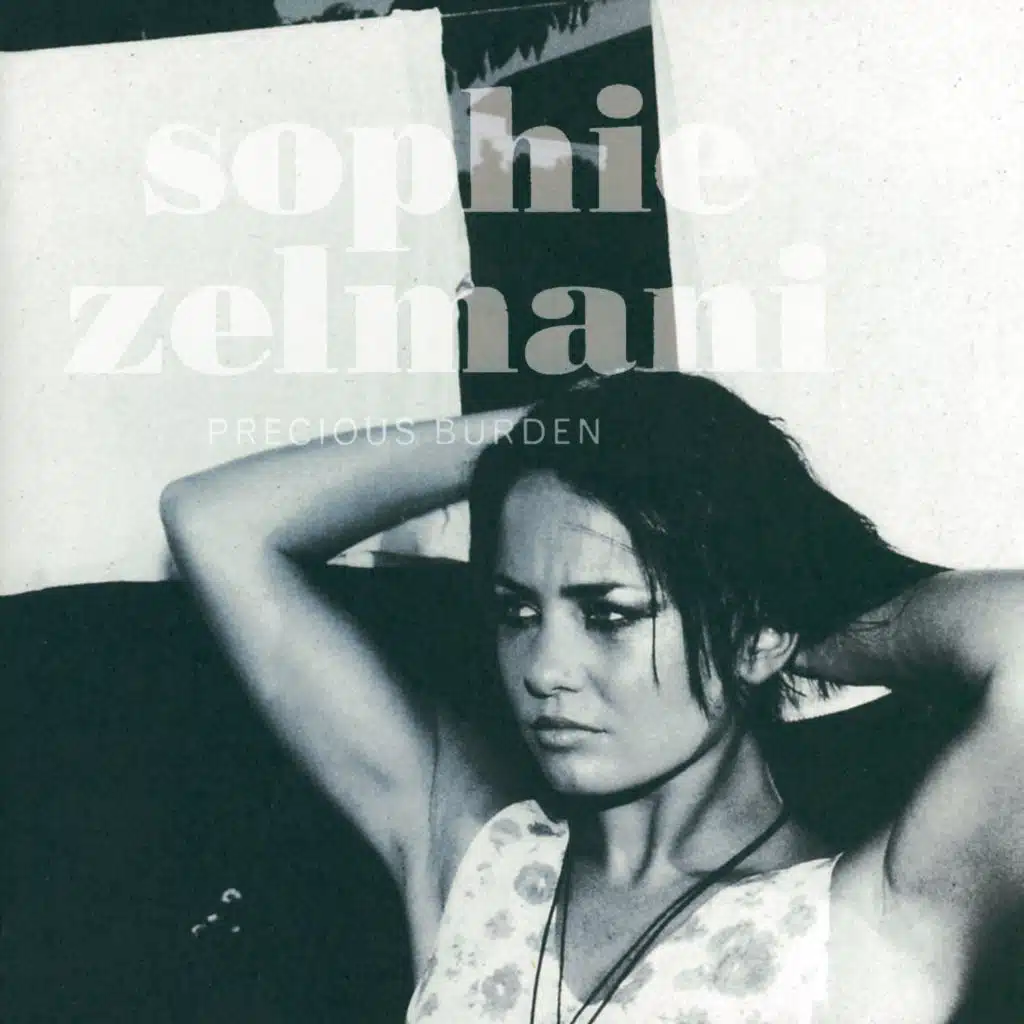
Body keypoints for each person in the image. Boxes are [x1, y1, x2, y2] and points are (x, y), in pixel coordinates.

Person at [159, 369, 1023, 1023]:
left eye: (608, 615)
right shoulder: (475, 857)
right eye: (516, 612)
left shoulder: (868, 922)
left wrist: (774, 619)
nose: (544, 668)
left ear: (759, 632)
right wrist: (559, 426)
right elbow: (213, 519)